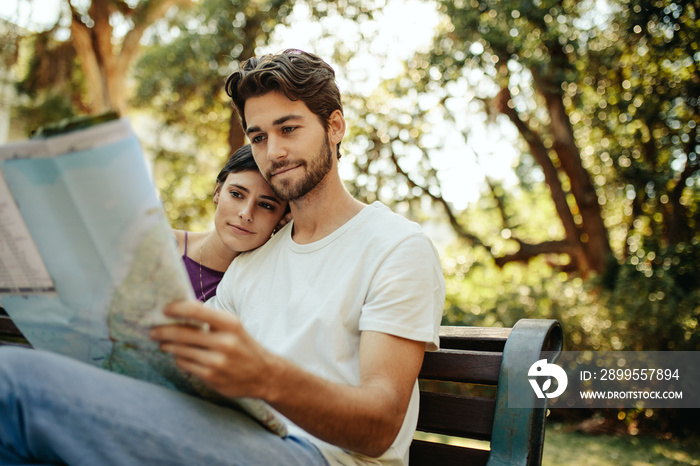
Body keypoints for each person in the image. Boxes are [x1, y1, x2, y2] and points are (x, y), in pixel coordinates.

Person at [0, 49, 445, 466]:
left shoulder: (396, 247)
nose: (274, 152)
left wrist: (266, 375)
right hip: (226, 436)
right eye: (258, 136)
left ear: (334, 127)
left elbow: (381, 424)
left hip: (315, 456)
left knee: (11, 382)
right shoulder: (255, 258)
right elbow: (187, 360)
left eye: (289, 129)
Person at [173, 144, 289, 301]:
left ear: (282, 218)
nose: (246, 214)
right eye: (236, 194)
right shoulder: (162, 246)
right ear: (218, 192)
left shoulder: (270, 290)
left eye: (266, 205)